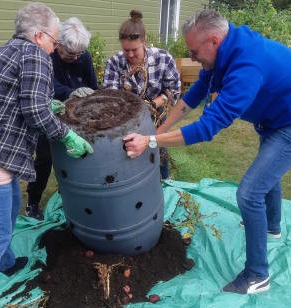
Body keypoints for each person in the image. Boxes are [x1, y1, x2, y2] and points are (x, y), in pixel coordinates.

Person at [123, 9, 291, 295]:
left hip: (287, 124)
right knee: (267, 175)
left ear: (213, 41)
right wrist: (157, 130)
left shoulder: (247, 66)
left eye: (193, 51)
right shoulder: (225, 51)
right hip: (273, 119)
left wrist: (150, 143)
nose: (192, 57)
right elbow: (193, 97)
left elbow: (208, 127)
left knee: (249, 193)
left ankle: (257, 275)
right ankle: (272, 227)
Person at [0, 3, 93, 307]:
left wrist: (47, 104)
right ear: (39, 35)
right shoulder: (35, 55)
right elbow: (35, 112)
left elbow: (20, 98)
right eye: (54, 41)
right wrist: (67, 135)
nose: (54, 49)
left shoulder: (6, 50)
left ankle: (6, 263)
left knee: (13, 204)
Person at [25, 17, 98, 219]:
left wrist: (89, 94)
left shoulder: (84, 57)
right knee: (44, 158)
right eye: (70, 53)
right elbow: (47, 86)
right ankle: (33, 202)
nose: (75, 58)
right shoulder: (47, 56)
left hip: (78, 115)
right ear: (58, 44)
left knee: (81, 154)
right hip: (49, 112)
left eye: (78, 54)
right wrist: (70, 93)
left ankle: (76, 196)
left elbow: (93, 85)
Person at [103, 10, 180, 180]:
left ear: (144, 41)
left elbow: (173, 91)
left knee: (158, 149)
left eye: (134, 50)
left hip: (156, 116)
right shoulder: (114, 63)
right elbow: (111, 98)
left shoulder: (163, 59)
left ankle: (162, 182)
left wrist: (152, 104)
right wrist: (133, 107)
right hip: (125, 118)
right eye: (126, 50)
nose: (130, 55)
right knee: (127, 152)